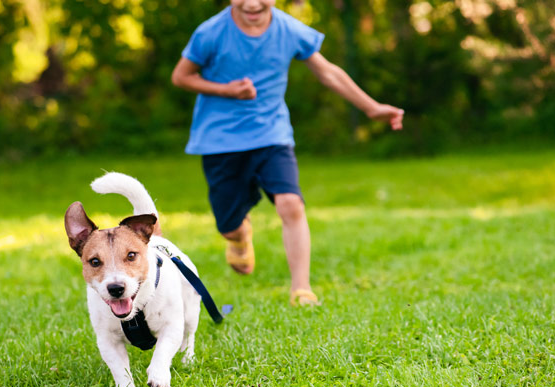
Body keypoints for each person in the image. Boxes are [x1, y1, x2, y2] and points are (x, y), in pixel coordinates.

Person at [171, 0, 403, 306]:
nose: (253, 4)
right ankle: (239, 237)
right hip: (220, 140)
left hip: (272, 135)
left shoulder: (288, 29)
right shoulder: (211, 33)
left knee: (291, 204)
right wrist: (229, 90)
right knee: (229, 226)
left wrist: (371, 108)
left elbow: (328, 73)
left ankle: (301, 289)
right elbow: (181, 76)